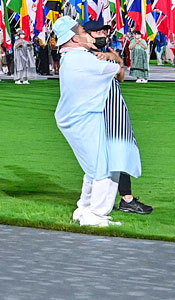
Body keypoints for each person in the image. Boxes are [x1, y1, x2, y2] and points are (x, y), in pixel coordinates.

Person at [53, 18, 144, 226]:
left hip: (79, 117)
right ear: (75, 37)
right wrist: (114, 58)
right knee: (104, 168)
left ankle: (84, 209)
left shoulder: (72, 57)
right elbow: (120, 71)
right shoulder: (82, 59)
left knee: (94, 167)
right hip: (83, 118)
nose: (87, 34)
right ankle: (96, 215)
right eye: (83, 31)